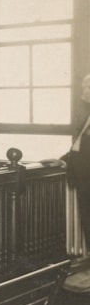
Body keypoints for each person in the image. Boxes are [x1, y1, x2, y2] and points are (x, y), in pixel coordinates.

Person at [63, 73, 90, 249]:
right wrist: (62, 160)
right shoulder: (87, 116)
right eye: (83, 87)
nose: (84, 92)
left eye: (88, 87)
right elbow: (78, 147)